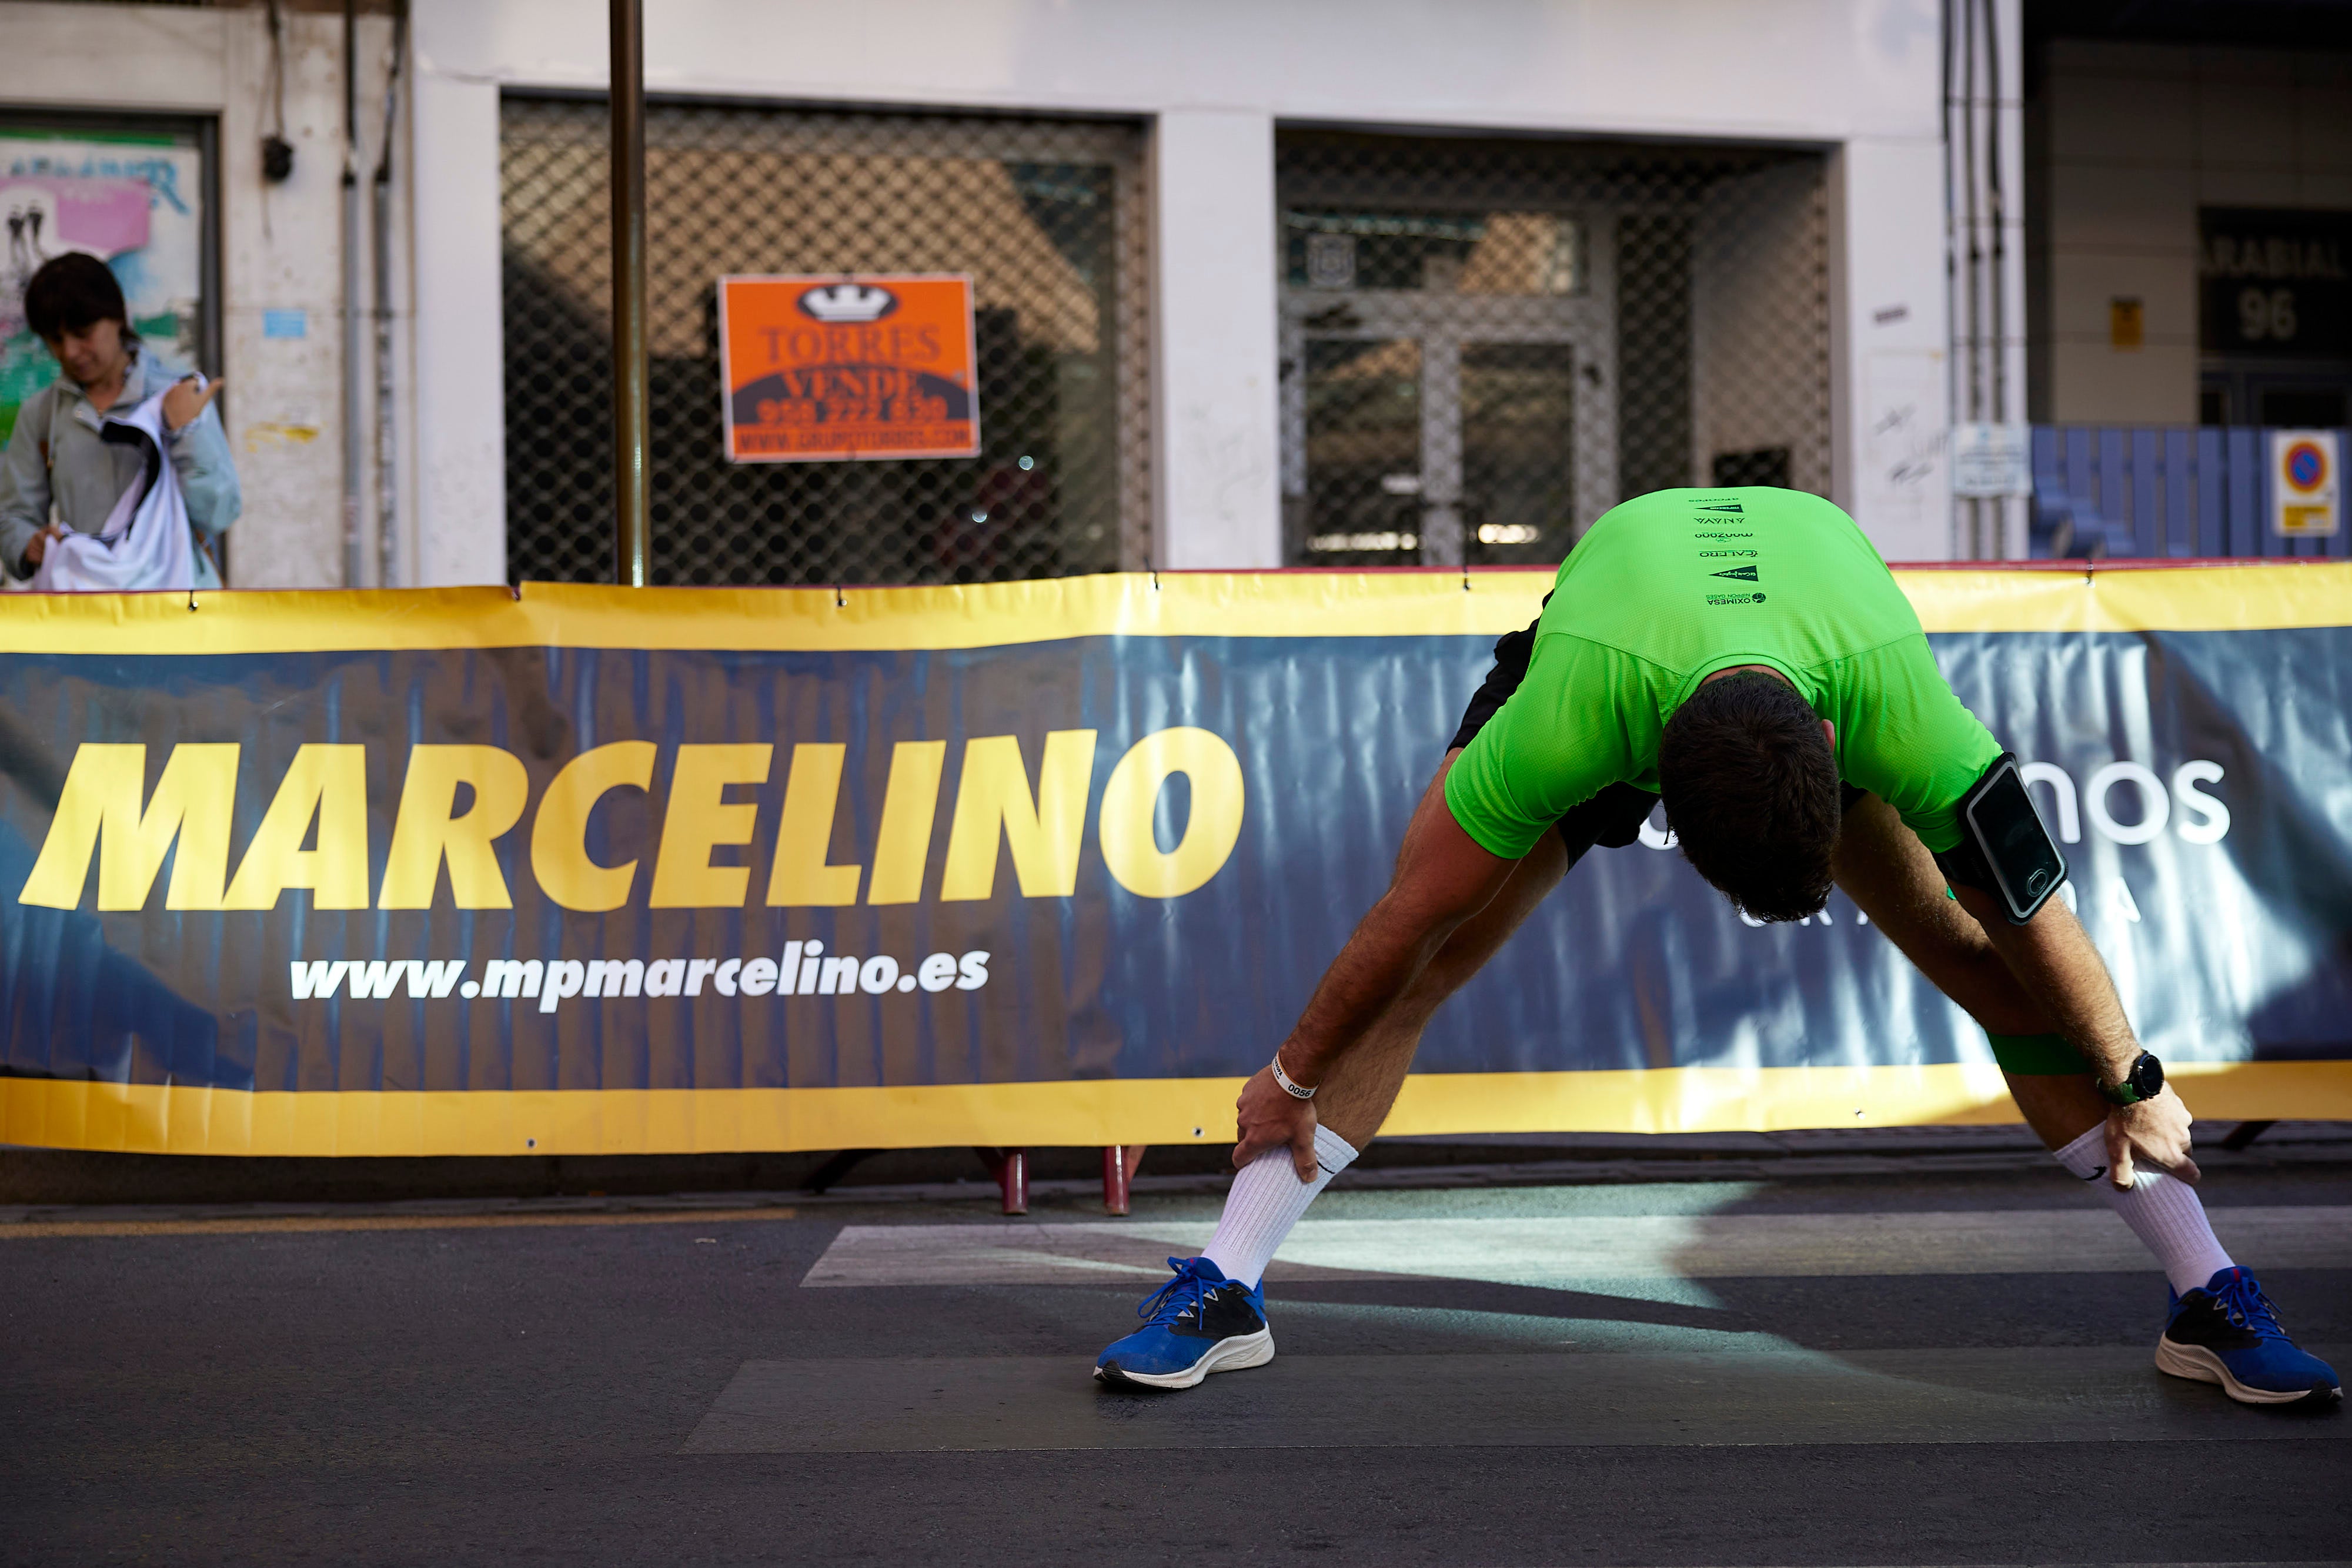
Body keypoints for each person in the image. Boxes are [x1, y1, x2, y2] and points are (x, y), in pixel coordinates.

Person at [1094, 486, 2340, 1410]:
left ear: (1847, 771)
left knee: (1978, 956)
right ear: (1653, 810)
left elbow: (2032, 916)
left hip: (1806, 631)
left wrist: (2130, 1076)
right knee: (1433, 963)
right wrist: (1288, 1076)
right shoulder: (1561, 723)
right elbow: (1400, 919)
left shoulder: (1904, 713)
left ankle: (2204, 1291)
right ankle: (1225, 1281)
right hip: (1614, 627)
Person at [1, 252, 238, 587]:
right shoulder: (41, 414)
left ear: (117, 317)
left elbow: (220, 513)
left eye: (82, 333)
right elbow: (14, 516)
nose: (70, 352)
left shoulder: (178, 396)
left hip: (176, 601)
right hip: (88, 606)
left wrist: (186, 431)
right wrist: (28, 545)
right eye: (56, 340)